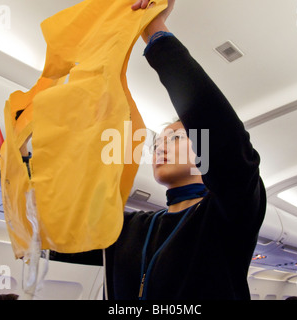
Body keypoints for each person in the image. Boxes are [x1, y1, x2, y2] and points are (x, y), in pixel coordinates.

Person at [52, 0, 266, 300]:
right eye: (157, 143)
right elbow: (56, 238)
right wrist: (25, 164)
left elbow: (221, 132)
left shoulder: (229, 213)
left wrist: (154, 27)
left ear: (204, 150)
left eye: (176, 139)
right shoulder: (125, 226)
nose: (160, 148)